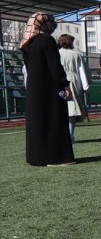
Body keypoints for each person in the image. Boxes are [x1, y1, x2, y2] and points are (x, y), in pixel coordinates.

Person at [21, 12, 75, 166]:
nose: (53, 24)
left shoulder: (28, 43)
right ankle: (57, 158)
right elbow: (55, 66)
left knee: (38, 121)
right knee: (54, 119)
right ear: (43, 24)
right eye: (50, 22)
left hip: (34, 87)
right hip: (49, 87)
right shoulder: (47, 40)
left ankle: (37, 158)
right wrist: (65, 84)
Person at [57, 34, 90, 143]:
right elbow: (82, 71)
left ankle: (63, 136)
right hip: (74, 81)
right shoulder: (76, 54)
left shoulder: (57, 53)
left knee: (62, 109)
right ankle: (70, 136)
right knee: (72, 110)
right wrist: (86, 86)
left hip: (59, 81)